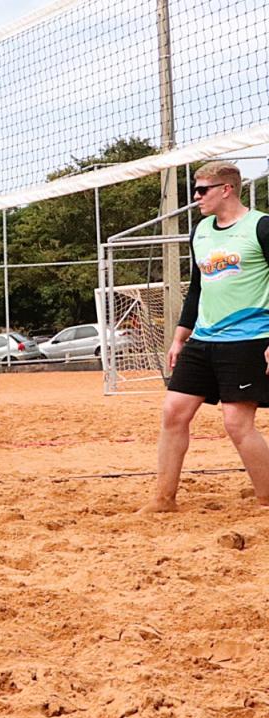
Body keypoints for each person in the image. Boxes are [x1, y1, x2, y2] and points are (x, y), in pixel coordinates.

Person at [145, 160, 269, 512]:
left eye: (202, 190)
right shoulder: (200, 231)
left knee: (237, 423)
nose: (196, 197)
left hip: (248, 339)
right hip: (203, 339)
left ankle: (266, 499)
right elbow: (197, 288)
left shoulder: (261, 227)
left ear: (226, 189)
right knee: (173, 412)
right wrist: (180, 337)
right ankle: (163, 499)